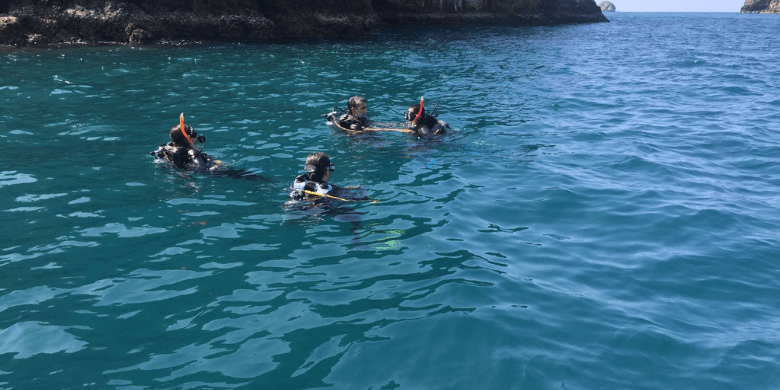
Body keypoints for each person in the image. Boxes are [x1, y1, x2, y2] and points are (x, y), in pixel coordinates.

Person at [151, 113, 218, 172]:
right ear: (187, 140)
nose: (197, 137)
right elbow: (202, 169)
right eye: (194, 135)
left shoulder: (169, 149)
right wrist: (211, 163)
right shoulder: (192, 152)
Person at [288, 152, 366, 202]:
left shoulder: (298, 187)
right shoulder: (331, 189)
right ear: (327, 171)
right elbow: (356, 198)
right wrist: (362, 190)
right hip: (323, 210)